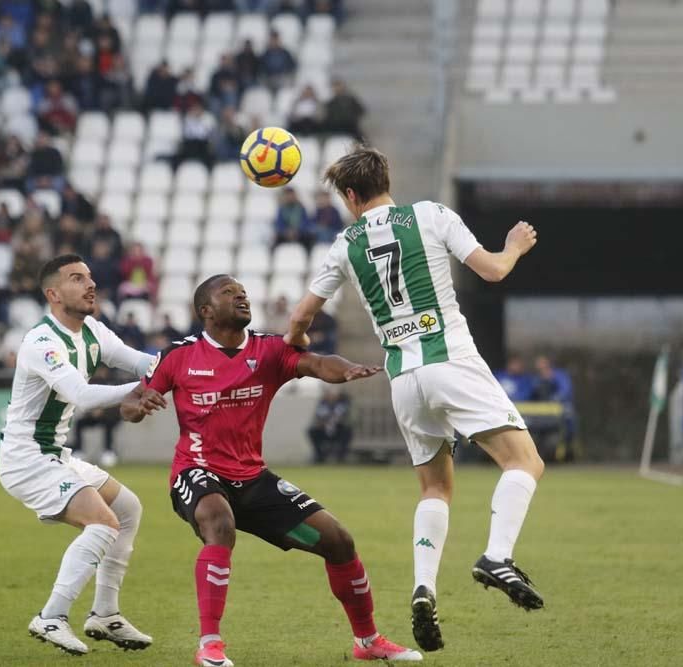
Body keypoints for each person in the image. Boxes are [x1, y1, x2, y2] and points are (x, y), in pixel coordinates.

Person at [284, 146, 545, 654]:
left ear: (353, 195)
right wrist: (513, 246)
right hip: (451, 361)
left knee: (434, 489)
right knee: (525, 462)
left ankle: (424, 587)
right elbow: (492, 271)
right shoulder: (430, 215)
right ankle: (496, 556)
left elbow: (300, 318)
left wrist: (297, 344)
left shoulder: (345, 244)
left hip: (404, 378)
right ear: (386, 180)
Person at [121, 274, 421, 666]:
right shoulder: (179, 356)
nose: (241, 295)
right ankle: (210, 646)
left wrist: (345, 369)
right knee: (218, 522)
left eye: (243, 291)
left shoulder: (267, 350)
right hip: (196, 471)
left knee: (338, 541)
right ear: (206, 311)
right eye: (228, 292)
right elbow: (131, 400)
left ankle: (367, 641)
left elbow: (315, 363)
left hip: (253, 480)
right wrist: (138, 405)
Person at [0, 254, 164, 656]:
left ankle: (105, 614)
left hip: (55, 455)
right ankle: (51, 616)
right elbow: (82, 395)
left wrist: (195, 366)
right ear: (54, 294)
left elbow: (145, 363)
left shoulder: (92, 330)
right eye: (77, 279)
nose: (90, 284)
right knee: (103, 523)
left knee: (128, 510)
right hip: (27, 458)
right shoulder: (41, 342)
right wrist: (134, 392)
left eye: (90, 277)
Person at [308, 387, 353, 463]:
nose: (331, 397)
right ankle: (319, 456)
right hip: (324, 430)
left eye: (334, 395)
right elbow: (318, 417)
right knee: (312, 431)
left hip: (339, 429)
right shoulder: (322, 404)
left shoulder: (343, 404)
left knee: (347, 431)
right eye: (330, 394)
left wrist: (337, 421)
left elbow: (346, 418)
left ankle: (341, 457)